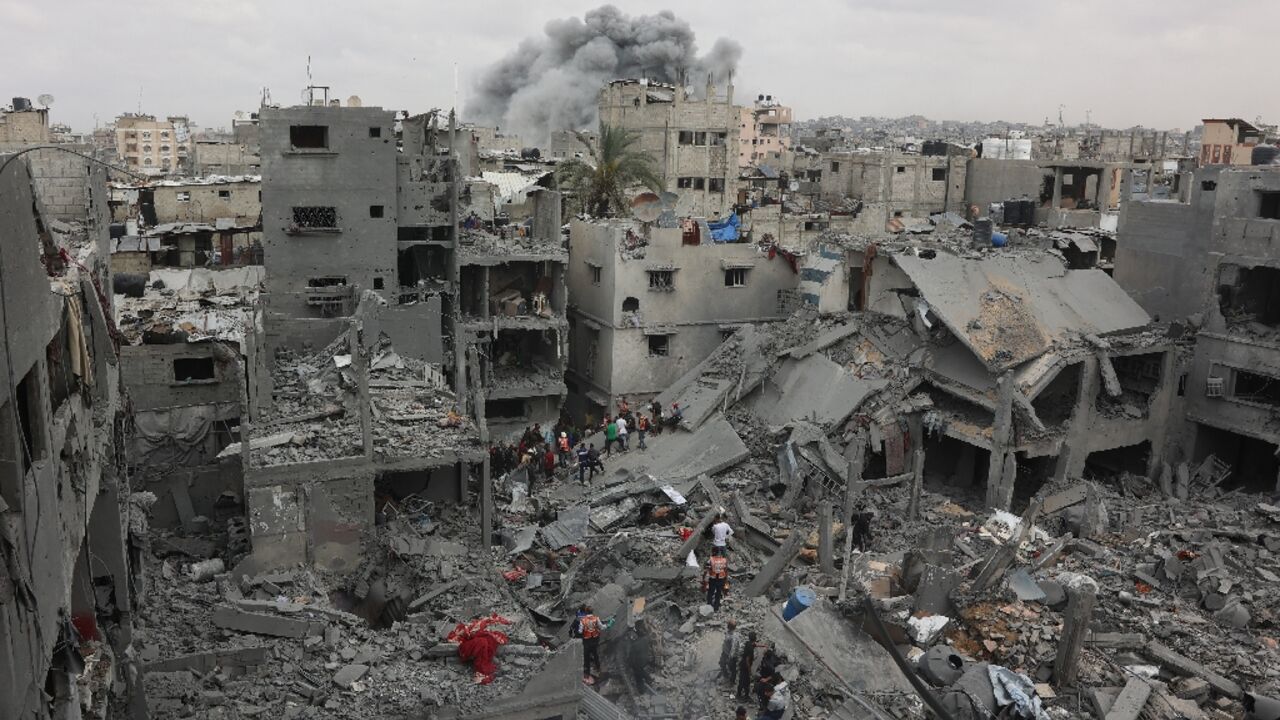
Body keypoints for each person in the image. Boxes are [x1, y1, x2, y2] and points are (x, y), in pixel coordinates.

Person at [575, 604, 602, 684]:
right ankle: (598, 669)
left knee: (586, 658)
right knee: (595, 654)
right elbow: (602, 627)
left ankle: (586, 674)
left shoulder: (583, 620)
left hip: (587, 641)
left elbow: (580, 631)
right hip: (594, 640)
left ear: (586, 612)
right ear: (592, 611)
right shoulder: (596, 618)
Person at [736, 631, 761, 700]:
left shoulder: (748, 643)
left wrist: (762, 645)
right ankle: (745, 696)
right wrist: (749, 670)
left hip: (742, 665)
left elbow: (754, 645)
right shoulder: (750, 649)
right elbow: (747, 660)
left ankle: (739, 694)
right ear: (755, 638)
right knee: (746, 682)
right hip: (745, 667)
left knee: (742, 680)